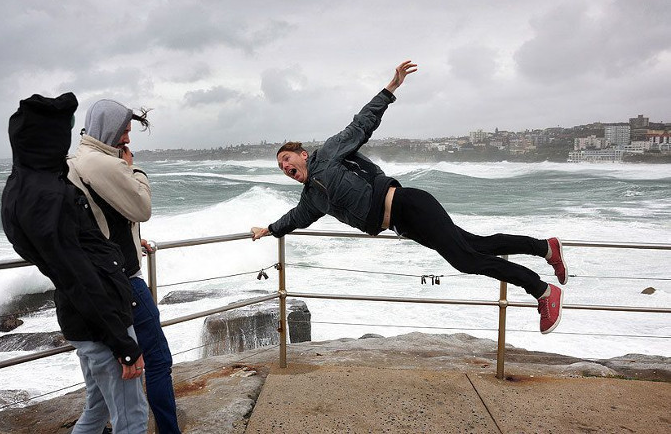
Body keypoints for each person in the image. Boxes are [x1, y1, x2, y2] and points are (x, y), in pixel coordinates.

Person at [250, 60, 568, 334]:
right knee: (479, 246)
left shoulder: (328, 154)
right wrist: (269, 229)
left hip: (408, 204)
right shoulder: (311, 200)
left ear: (302, 154)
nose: (284, 166)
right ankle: (544, 247)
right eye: (280, 166)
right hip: (404, 224)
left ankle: (542, 291)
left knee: (466, 260)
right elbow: (295, 218)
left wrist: (391, 88)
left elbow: (360, 124)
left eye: (286, 159)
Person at [0, 93, 148, 432]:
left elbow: (71, 261)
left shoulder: (23, 186)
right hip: (101, 322)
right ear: (50, 139)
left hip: (82, 319)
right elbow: (78, 276)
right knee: (132, 417)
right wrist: (122, 344)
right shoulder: (46, 196)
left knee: (96, 409)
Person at [67, 99, 181, 433]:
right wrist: (135, 170)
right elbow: (141, 206)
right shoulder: (107, 164)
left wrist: (133, 242)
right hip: (124, 282)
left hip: (94, 281)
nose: (128, 139)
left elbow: (103, 216)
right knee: (158, 361)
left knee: (98, 398)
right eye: (125, 131)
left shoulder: (74, 161)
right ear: (110, 129)